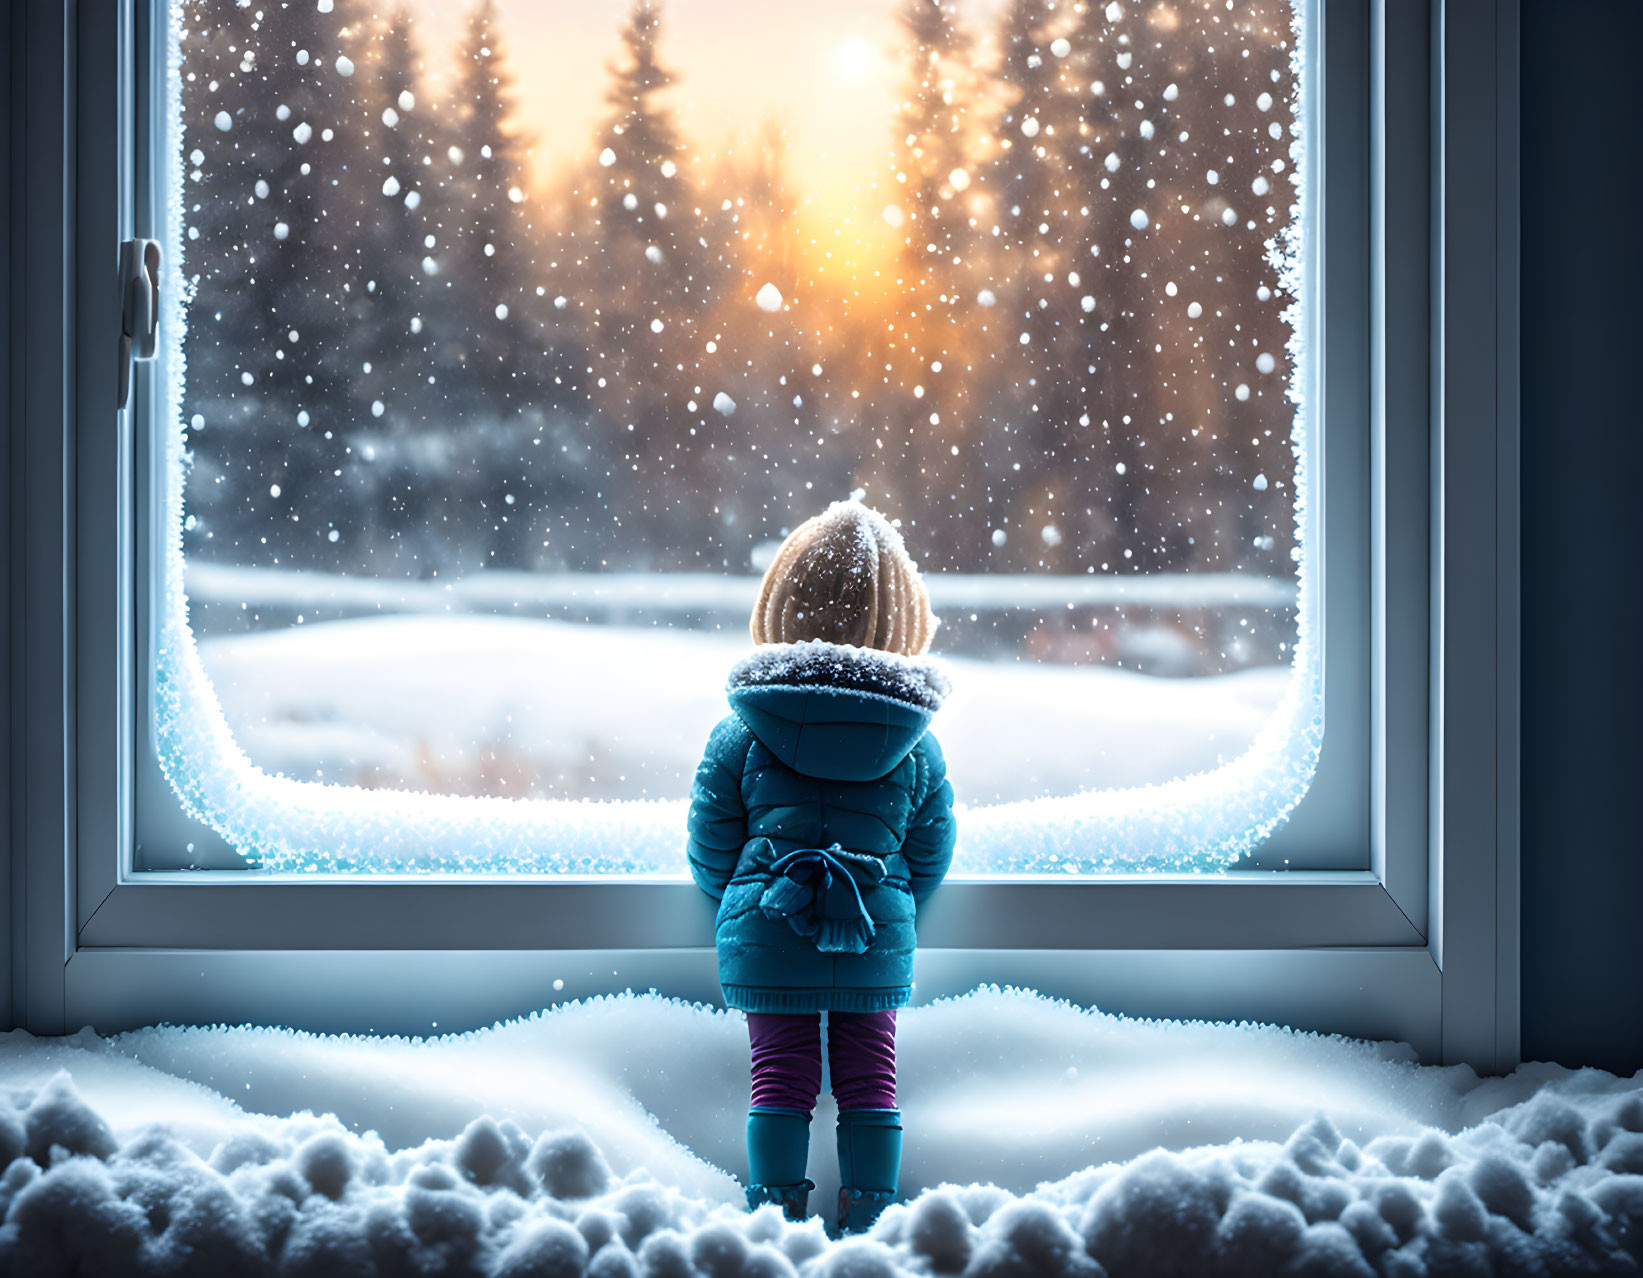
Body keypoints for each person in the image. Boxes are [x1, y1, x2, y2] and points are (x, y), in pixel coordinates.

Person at [685, 499, 957, 1236]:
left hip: (768, 927)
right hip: (871, 935)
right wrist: (881, 894)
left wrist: (750, 895)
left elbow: (710, 846)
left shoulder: (741, 732)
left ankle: (772, 1219)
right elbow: (930, 854)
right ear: (904, 622)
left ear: (778, 607)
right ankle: (872, 1221)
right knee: (872, 1082)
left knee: (779, 1080)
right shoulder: (916, 745)